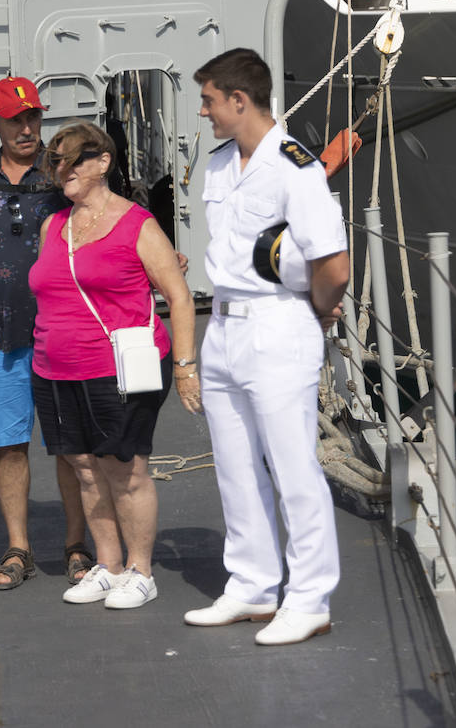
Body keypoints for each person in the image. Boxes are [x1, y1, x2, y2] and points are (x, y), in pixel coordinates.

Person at [183, 48, 349, 646]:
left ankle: (309, 599)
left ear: (239, 100)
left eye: (208, 101)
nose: (202, 112)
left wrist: (321, 308)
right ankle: (252, 586)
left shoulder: (294, 167)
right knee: (234, 466)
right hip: (223, 327)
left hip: (279, 326)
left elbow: (333, 261)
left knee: (293, 466)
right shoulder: (223, 162)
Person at [28, 121, 199, 610]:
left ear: (103, 161)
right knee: (83, 467)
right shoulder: (54, 225)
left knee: (125, 468)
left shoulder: (137, 224)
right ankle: (109, 565)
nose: (63, 170)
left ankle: (142, 570)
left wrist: (185, 366)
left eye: (73, 159)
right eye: (55, 161)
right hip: (54, 367)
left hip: (118, 367)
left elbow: (179, 298)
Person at [0, 78, 91, 590]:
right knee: (9, 443)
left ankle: (77, 545)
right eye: (14, 119)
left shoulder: (61, 173)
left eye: (32, 117)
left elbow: (102, 223)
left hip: (61, 331)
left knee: (71, 444)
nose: (26, 128)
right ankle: (19, 549)